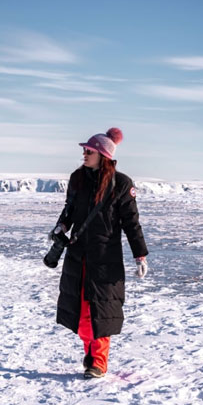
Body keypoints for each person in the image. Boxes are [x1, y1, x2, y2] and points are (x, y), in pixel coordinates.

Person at [51, 128, 147, 379]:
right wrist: (62, 226)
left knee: (100, 312)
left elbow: (131, 223)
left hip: (106, 258)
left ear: (102, 154)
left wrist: (140, 255)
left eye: (89, 151)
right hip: (78, 254)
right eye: (84, 150)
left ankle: (99, 361)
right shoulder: (77, 178)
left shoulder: (122, 184)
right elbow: (69, 210)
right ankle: (91, 353)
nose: (84, 154)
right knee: (81, 310)